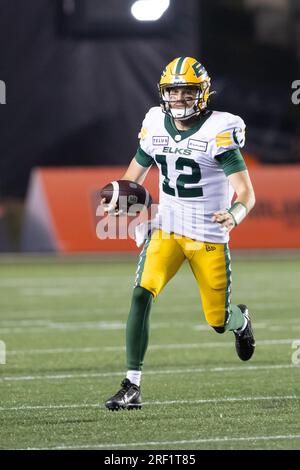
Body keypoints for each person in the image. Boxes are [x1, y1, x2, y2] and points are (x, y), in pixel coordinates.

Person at [104, 57, 256, 411]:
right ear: (163, 93)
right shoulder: (155, 123)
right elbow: (134, 174)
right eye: (173, 91)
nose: (179, 98)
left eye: (187, 91)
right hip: (168, 229)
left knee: (217, 320)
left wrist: (234, 214)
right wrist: (120, 197)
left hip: (208, 236)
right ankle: (132, 385)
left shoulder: (219, 130)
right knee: (142, 294)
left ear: (202, 94)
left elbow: (246, 193)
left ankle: (240, 320)